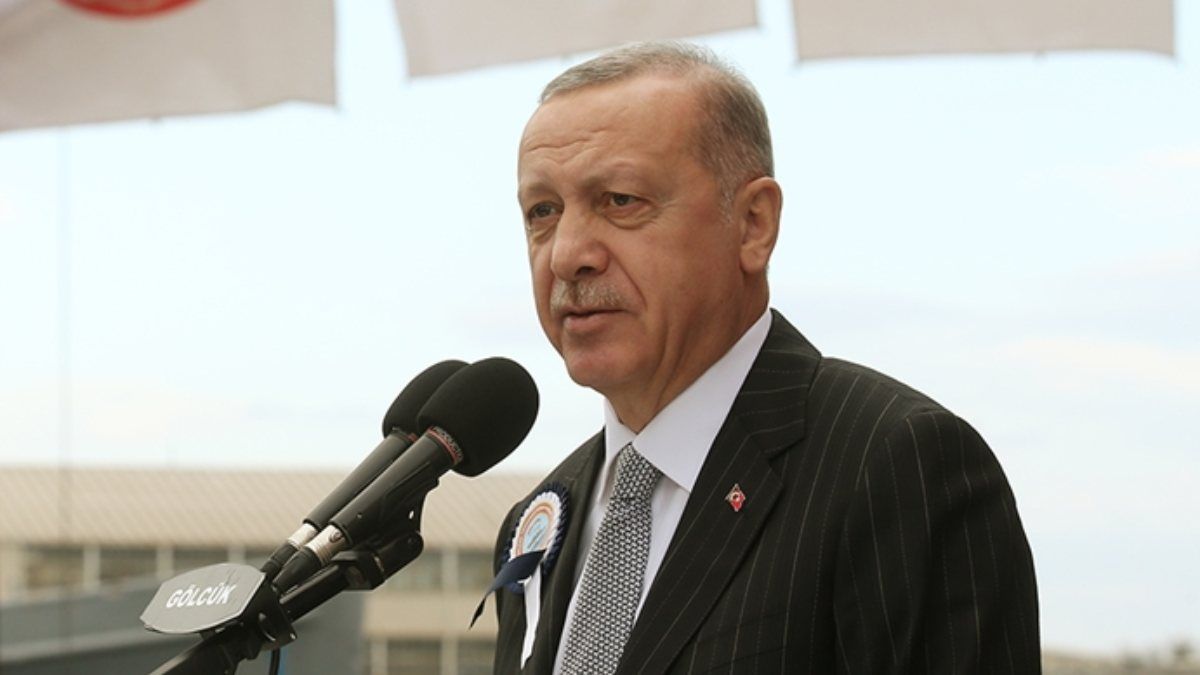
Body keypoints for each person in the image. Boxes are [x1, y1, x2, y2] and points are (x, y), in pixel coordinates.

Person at [492, 41, 1040, 674]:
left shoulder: (895, 464)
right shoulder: (540, 519)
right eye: (542, 212)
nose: (567, 255)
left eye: (620, 200)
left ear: (754, 224)